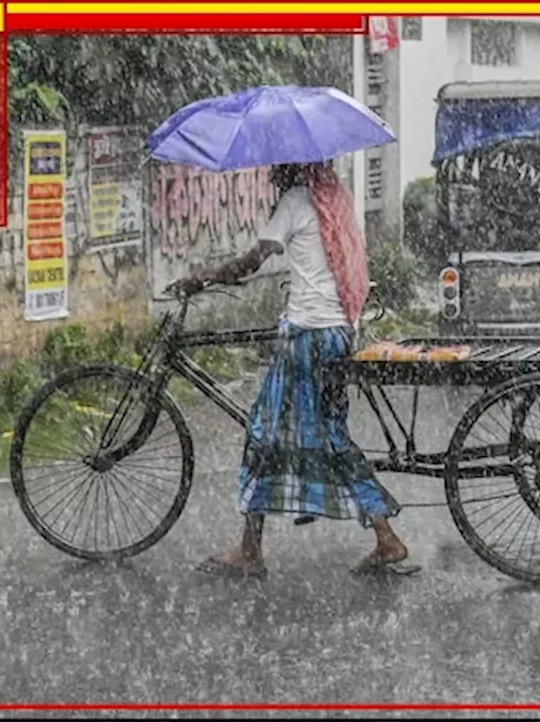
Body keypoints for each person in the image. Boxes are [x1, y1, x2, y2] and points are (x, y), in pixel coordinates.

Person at [172, 162, 418, 579]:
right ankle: (261, 546)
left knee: (268, 434)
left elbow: (253, 260)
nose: (269, 177)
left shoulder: (296, 201)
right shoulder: (332, 201)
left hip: (308, 338)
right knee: (317, 436)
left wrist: (204, 277)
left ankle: (259, 550)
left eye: (275, 170)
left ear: (290, 170)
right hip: (336, 333)